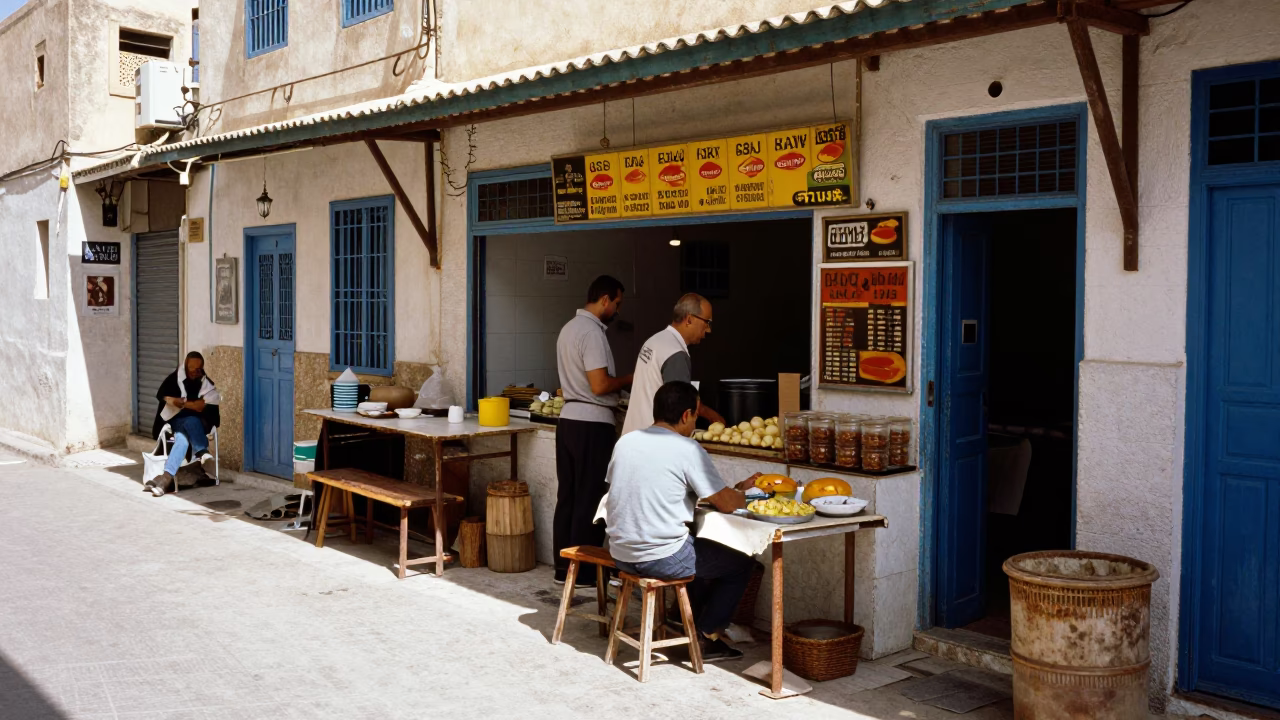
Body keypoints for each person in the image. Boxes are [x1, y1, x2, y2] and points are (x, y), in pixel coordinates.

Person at [606, 381, 760, 662]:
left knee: (699, 550)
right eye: (697, 417)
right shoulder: (687, 448)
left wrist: (730, 490)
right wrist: (743, 495)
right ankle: (705, 635)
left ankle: (685, 621)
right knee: (742, 563)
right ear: (687, 414)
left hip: (621, 554)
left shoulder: (626, 441)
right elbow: (725, 504)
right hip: (659, 557)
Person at [553, 275, 633, 586]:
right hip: (591, 423)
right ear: (604, 300)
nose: (617, 310)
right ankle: (585, 572)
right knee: (590, 499)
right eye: (617, 303)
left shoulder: (568, 329)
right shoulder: (592, 333)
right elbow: (599, 385)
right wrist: (628, 378)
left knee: (569, 497)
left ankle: (564, 569)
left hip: (569, 421)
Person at [620, 293, 725, 436]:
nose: (708, 330)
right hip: (655, 442)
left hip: (634, 436)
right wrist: (712, 416)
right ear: (689, 319)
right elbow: (680, 404)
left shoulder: (654, 340)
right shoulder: (675, 353)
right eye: (707, 322)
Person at [146, 351, 221, 497]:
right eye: (191, 369)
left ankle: (165, 479)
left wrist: (183, 403)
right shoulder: (174, 379)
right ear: (186, 367)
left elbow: (202, 406)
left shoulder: (205, 383)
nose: (194, 372)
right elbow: (165, 397)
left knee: (182, 439)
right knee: (190, 420)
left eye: (198, 369)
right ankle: (202, 451)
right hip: (177, 420)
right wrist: (183, 403)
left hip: (199, 423)